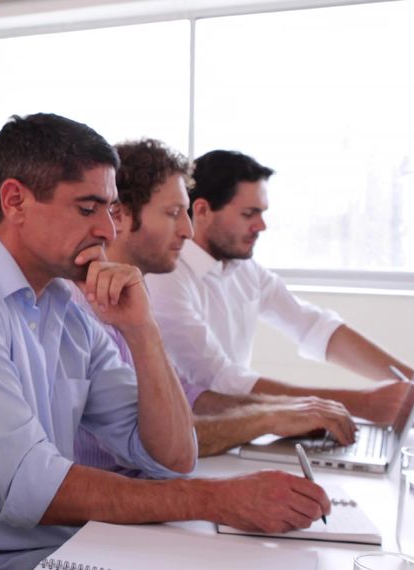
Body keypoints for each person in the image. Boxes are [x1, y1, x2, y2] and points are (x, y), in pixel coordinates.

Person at [0, 113, 329, 570]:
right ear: (15, 201)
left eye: (109, 208)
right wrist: (217, 500)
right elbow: (33, 488)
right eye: (87, 208)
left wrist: (142, 331)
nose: (107, 230)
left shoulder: (66, 305)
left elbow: (174, 457)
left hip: (74, 550)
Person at [77, 138, 356, 459]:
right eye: (173, 213)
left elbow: (187, 396)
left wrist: (289, 407)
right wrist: (268, 418)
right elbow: (152, 438)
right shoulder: (85, 309)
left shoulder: (135, 293)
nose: (188, 231)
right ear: (121, 216)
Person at [145, 149, 414, 425]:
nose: (261, 226)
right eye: (249, 214)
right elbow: (220, 381)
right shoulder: (166, 277)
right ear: (203, 211)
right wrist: (362, 404)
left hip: (239, 425)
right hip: (197, 435)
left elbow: (313, 326)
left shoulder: (242, 269)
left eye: (262, 213)